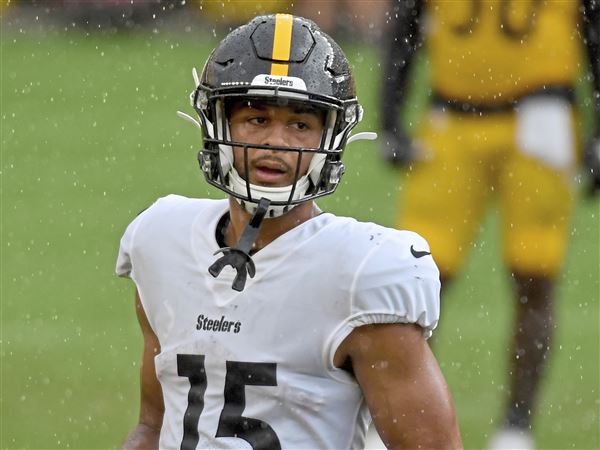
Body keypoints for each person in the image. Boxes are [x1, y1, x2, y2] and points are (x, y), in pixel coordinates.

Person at [116, 13, 463, 450]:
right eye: (256, 119)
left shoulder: (362, 271)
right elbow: (153, 426)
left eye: (299, 125)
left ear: (331, 137)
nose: (275, 142)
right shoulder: (160, 240)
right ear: (218, 123)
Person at [379, 1, 600, 449]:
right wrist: (390, 116)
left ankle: (516, 429)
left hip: (540, 115)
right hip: (453, 116)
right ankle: (409, 422)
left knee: (534, 273)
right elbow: (406, 19)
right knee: (415, 281)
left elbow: (593, 32)